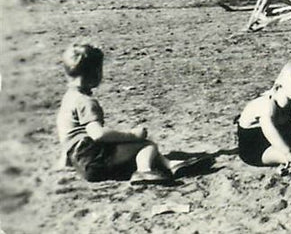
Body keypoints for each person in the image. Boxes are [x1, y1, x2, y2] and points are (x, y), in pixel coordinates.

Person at [56, 43, 214, 186]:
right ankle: (144, 171)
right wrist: (132, 135)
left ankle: (171, 165)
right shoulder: (86, 101)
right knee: (146, 144)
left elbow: (67, 135)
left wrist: (66, 162)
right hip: (94, 160)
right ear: (95, 73)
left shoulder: (68, 98)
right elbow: (97, 134)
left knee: (133, 148)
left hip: (79, 161)